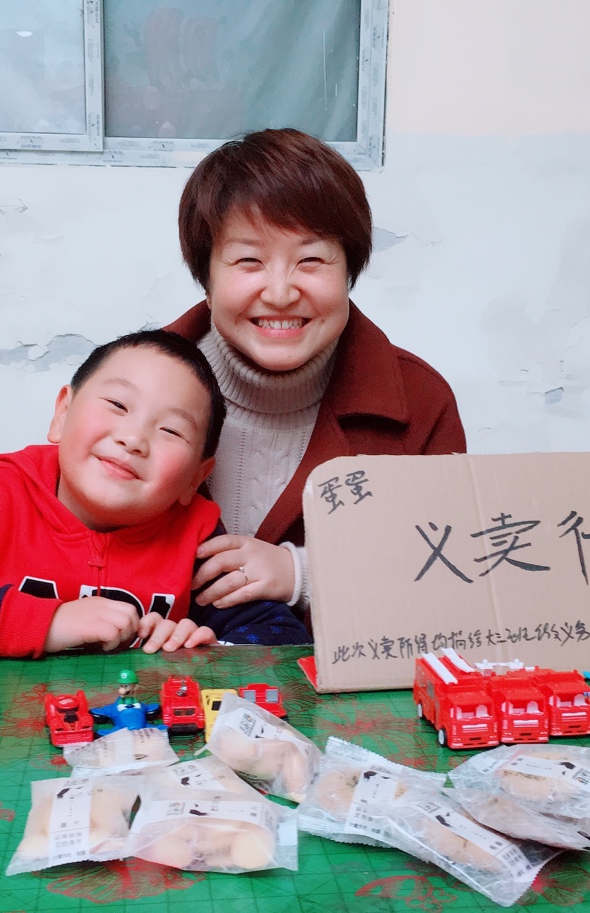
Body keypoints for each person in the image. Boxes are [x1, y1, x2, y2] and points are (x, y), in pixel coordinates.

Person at [0, 330, 310, 659]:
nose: (133, 438)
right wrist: (48, 622)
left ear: (196, 477)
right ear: (62, 413)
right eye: (118, 404)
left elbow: (281, 640)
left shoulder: (196, 537)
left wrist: (205, 650)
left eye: (170, 430)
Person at [167, 128, 466, 614]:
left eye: (310, 260)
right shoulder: (128, 390)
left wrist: (305, 574)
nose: (280, 293)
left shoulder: (420, 401)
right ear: (207, 276)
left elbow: (452, 573)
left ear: (348, 271)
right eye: (249, 260)